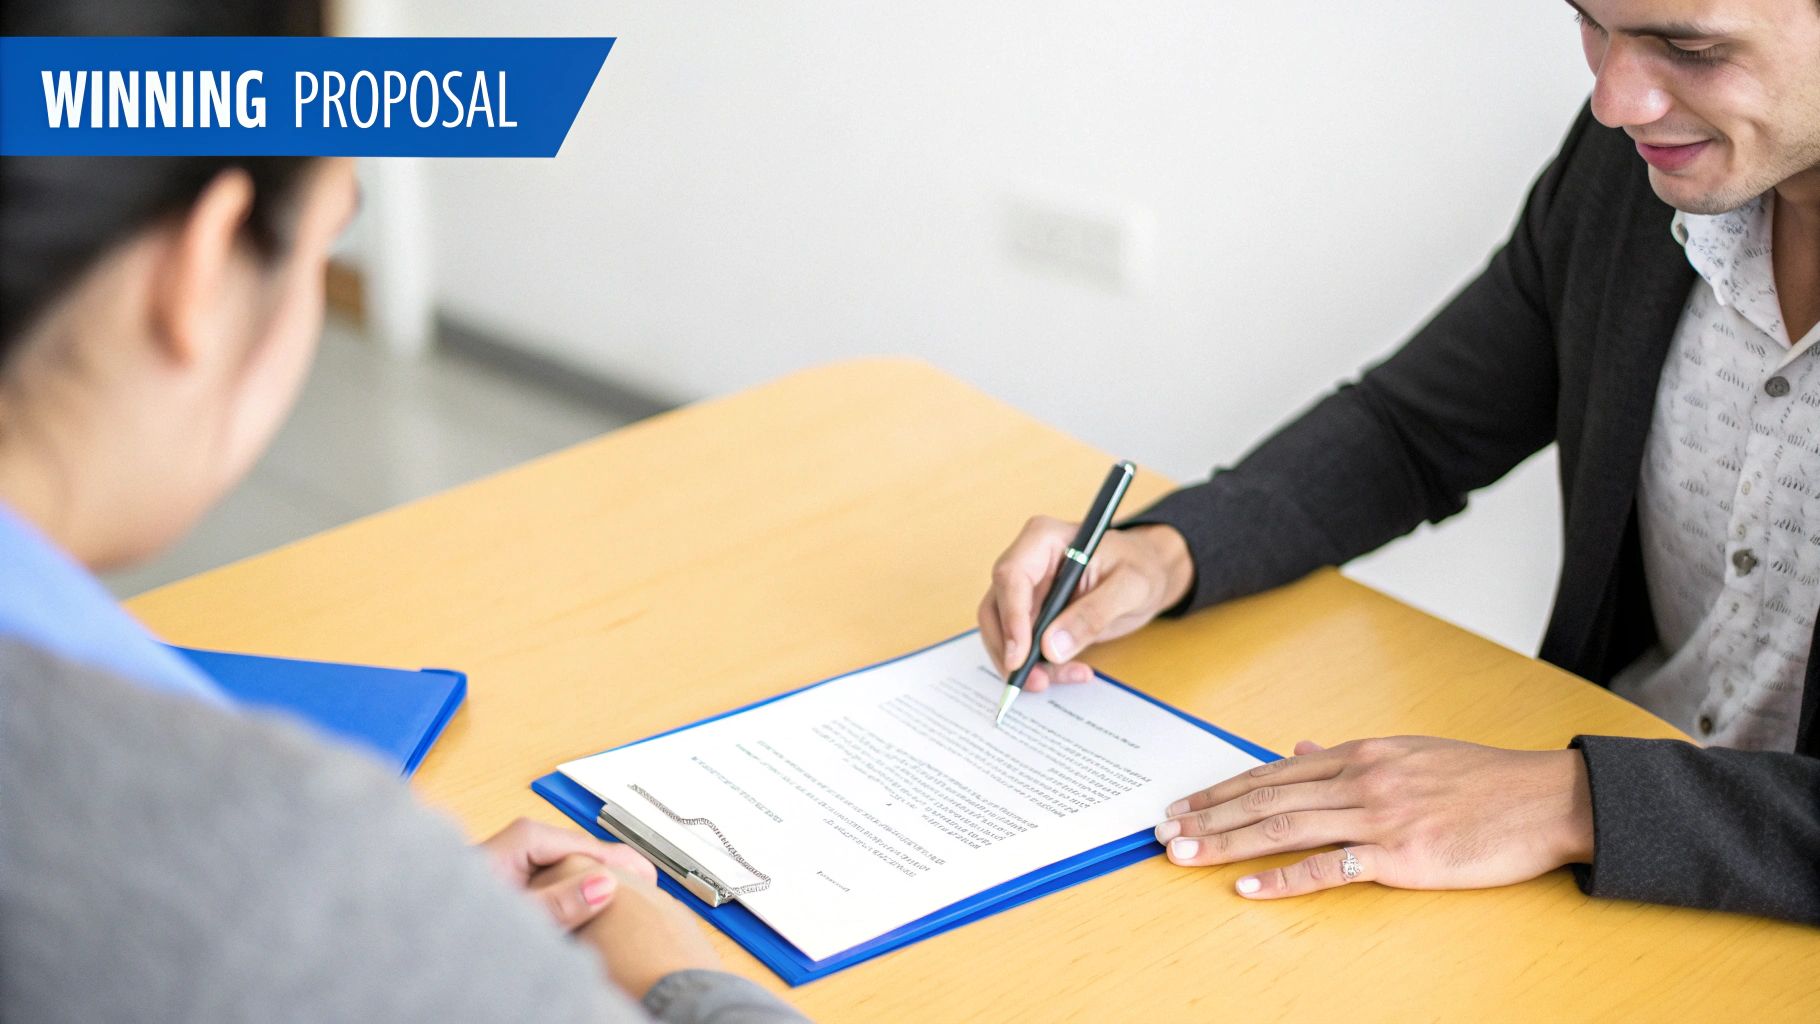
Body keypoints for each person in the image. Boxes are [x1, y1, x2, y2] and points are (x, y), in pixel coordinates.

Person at [0, 3, 809, 1021]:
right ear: (199, 274)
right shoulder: (255, 854)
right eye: (328, 224)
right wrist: (676, 980)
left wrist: (407, 932)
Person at [980, 0, 1820, 925]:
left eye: (1691, 48)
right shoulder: (1636, 174)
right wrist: (1170, 551)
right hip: (1600, 878)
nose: (1613, 99)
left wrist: (1578, 800)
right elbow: (1412, 430)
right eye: (1591, 24)